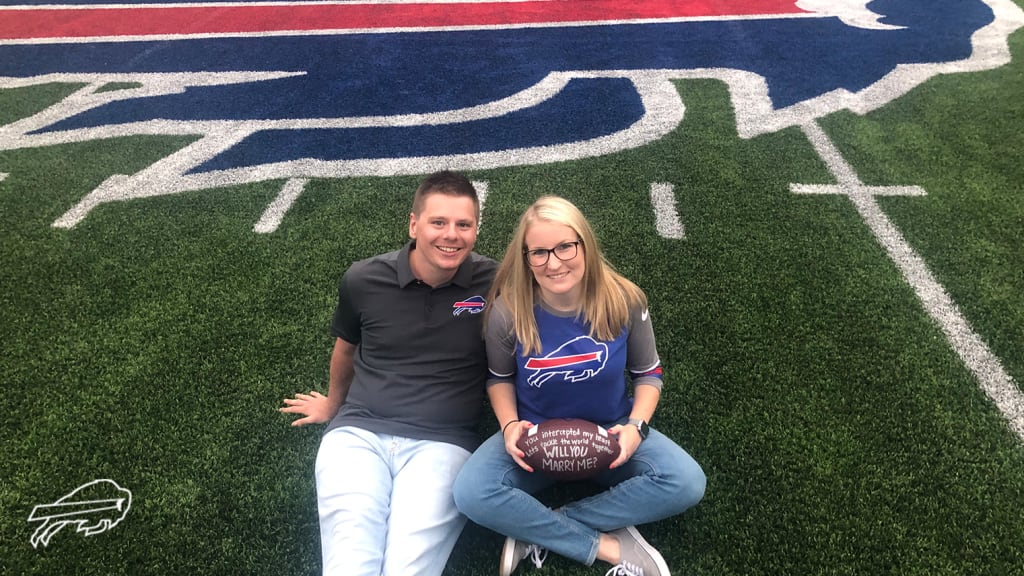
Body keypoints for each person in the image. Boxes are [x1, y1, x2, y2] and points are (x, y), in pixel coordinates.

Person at [452, 196, 706, 576]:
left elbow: (648, 374)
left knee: (686, 482)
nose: (553, 263)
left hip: (611, 434)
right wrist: (509, 428)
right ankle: (604, 544)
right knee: (470, 492)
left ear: (585, 244)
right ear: (525, 258)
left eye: (565, 247)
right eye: (539, 253)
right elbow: (500, 378)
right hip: (534, 442)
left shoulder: (624, 299)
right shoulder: (509, 311)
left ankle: (543, 526)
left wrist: (635, 429)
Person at [280, 171, 497, 576]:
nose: (451, 235)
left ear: (475, 230)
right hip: (358, 434)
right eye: (438, 222)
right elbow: (346, 347)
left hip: (443, 444)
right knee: (349, 563)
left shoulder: (497, 282)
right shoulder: (364, 279)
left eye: (463, 224)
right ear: (413, 224)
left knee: (408, 568)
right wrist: (333, 404)